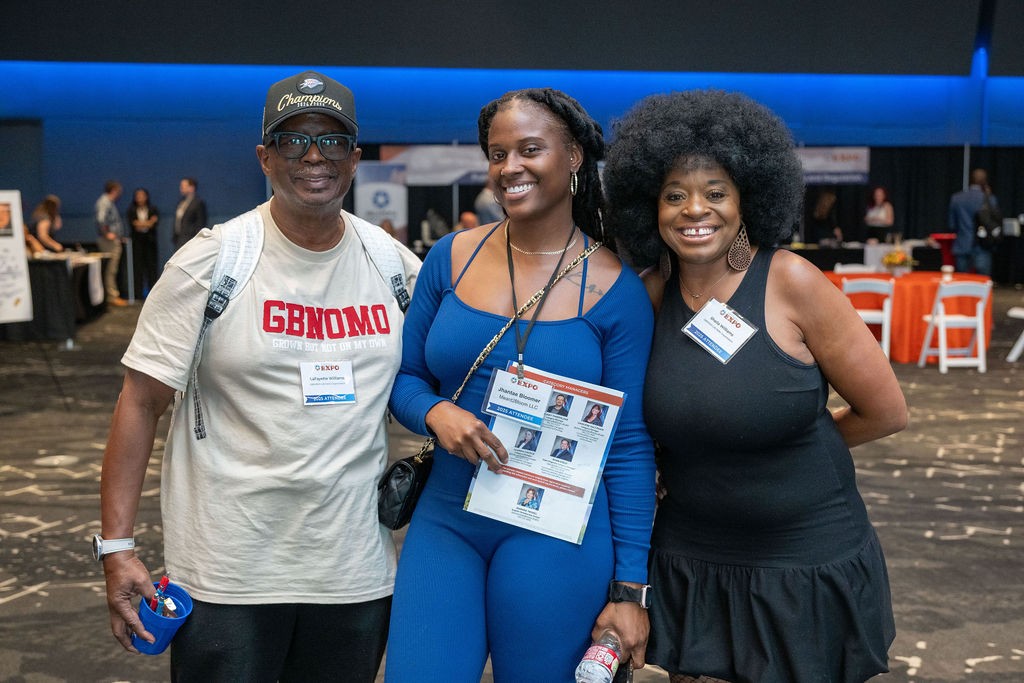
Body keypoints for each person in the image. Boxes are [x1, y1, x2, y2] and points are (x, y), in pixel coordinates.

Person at [97, 70, 420, 682]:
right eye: (293, 140)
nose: (314, 156)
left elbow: (438, 382)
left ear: (355, 159)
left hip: (352, 572)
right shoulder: (213, 260)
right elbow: (139, 403)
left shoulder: (393, 264)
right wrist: (116, 548)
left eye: (331, 140)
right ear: (265, 158)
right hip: (229, 575)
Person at [604, 89, 907, 683]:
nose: (695, 210)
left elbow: (886, 411)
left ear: (748, 200)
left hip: (801, 555)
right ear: (649, 207)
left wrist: (779, 447)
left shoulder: (792, 281)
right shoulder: (650, 296)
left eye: (716, 193)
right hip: (693, 554)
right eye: (674, 195)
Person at [386, 87, 656, 682]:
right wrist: (435, 412)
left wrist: (630, 589)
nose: (510, 167)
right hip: (447, 521)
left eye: (530, 149)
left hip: (557, 532)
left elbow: (629, 445)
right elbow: (405, 378)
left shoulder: (617, 291)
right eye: (497, 154)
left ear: (574, 157)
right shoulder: (450, 259)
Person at [950, 168, 998, 275]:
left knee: (962, 282)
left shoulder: (956, 198)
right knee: (982, 282)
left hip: (962, 245)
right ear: (985, 182)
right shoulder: (990, 199)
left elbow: (952, 225)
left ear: (970, 180)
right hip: (983, 245)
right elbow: (993, 223)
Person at [95, 180, 128, 306]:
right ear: (114, 190)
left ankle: (112, 295)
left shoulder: (109, 202)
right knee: (111, 269)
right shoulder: (104, 202)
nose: (120, 193)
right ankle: (112, 296)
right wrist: (107, 234)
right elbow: (101, 219)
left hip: (113, 240)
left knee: (112, 269)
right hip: (108, 242)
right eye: (119, 190)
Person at [127, 188, 160, 298]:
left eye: (142, 195)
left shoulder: (153, 209)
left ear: (147, 197)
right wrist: (148, 223)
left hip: (150, 243)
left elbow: (153, 224)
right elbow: (134, 224)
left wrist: (142, 224)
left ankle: (153, 295)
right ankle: (138, 295)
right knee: (138, 269)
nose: (140, 198)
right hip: (137, 243)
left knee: (152, 269)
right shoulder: (131, 210)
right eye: (138, 196)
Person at [173, 177, 208, 251]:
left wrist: (196, 239)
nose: (181, 188)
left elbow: (201, 223)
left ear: (192, 187)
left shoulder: (198, 203)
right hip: (179, 239)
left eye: (183, 186)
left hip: (190, 240)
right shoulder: (181, 202)